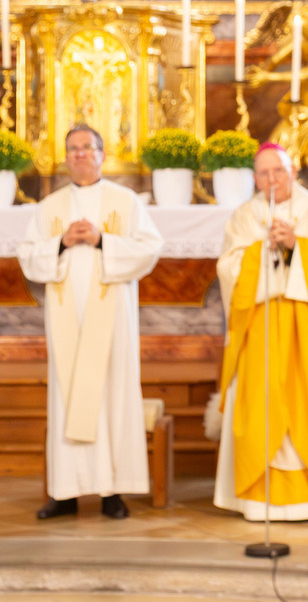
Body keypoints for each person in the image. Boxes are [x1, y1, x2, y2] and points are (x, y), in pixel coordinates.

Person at [17, 124, 163, 519]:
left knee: (110, 393)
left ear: (102, 154)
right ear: (66, 158)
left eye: (88, 148)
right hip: (66, 319)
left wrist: (102, 240)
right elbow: (28, 258)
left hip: (111, 319)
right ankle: (64, 493)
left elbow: (150, 249)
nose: (80, 154)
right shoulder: (48, 207)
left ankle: (111, 492)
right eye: (73, 149)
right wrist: (60, 242)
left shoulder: (127, 201)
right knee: (66, 397)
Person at [214, 142, 308, 521]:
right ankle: (256, 498)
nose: (271, 180)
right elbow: (228, 267)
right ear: (254, 177)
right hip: (260, 329)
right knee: (260, 409)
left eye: (278, 171)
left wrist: (299, 247)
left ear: (294, 170)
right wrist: (260, 252)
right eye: (263, 173)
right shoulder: (244, 217)